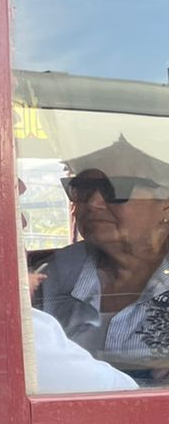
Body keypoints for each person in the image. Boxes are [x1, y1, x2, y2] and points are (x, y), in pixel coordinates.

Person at [36, 136, 169, 384]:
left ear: (165, 204)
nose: (94, 203)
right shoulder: (51, 276)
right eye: (84, 188)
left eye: (116, 188)